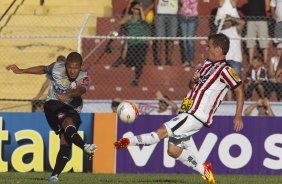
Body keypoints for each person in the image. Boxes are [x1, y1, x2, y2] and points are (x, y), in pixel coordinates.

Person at [114, 33, 244, 184]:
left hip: (195, 115)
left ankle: (123, 142)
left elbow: (239, 90)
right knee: (172, 150)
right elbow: (192, 86)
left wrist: (238, 116)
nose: (206, 48)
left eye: (209, 46)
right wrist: (193, 80)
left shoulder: (226, 70)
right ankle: (204, 171)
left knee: (155, 136)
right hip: (187, 110)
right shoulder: (206, 64)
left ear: (218, 49)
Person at [6, 52, 97, 182]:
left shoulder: (84, 77)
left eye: (76, 68)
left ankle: (55, 175)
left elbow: (81, 90)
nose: (72, 71)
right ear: (66, 65)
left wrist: (70, 94)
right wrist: (21, 70)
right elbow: (43, 69)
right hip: (53, 105)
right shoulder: (56, 67)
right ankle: (84, 146)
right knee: (65, 121)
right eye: (70, 67)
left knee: (66, 140)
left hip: (73, 109)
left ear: (80, 67)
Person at [112, 1, 149, 86]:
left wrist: (141, 9)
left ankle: (136, 79)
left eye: (139, 9)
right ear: (132, 9)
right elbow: (119, 23)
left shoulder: (141, 17)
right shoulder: (129, 17)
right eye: (136, 8)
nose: (138, 10)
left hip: (141, 42)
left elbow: (144, 20)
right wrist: (114, 30)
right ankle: (126, 61)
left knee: (139, 61)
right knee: (130, 62)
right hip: (132, 43)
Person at [214, 0, 245, 100]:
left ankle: (238, 101)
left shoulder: (235, 29)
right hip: (224, 60)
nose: (226, 22)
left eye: (228, 21)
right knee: (225, 83)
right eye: (225, 21)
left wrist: (231, 17)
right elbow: (217, 22)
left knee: (237, 84)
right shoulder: (220, 33)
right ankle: (229, 100)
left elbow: (242, 22)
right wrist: (223, 19)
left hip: (235, 60)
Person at [155, 0, 179, 65]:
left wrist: (178, 12)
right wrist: (155, 14)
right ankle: (158, 59)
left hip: (173, 14)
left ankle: (169, 59)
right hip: (160, 13)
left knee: (171, 39)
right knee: (160, 39)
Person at [178, 0, 199, 67]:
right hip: (183, 17)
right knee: (184, 40)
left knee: (190, 40)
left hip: (192, 17)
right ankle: (186, 61)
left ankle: (191, 60)